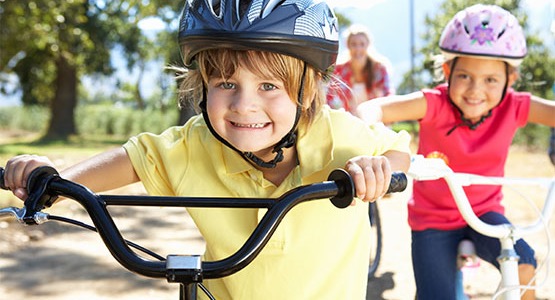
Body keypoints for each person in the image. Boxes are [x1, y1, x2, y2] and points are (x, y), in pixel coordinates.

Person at [2, 1, 411, 299]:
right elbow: (133, 158)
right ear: (202, 88)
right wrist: (49, 179)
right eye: (226, 84)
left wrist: (377, 169)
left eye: (269, 86)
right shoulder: (195, 143)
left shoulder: (342, 136)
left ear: (305, 91)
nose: (244, 105)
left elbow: (397, 152)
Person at [356, 4, 555, 300]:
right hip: (432, 220)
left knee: (525, 264)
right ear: (448, 71)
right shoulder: (435, 103)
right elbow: (372, 108)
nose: (476, 90)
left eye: (491, 80)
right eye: (464, 76)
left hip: (485, 214)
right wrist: (373, 136)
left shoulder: (514, 106)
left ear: (509, 80)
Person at [327, 24, 394, 114]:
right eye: (353, 44)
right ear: (348, 46)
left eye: (362, 44)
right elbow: (329, 97)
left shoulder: (379, 69)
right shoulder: (339, 70)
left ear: (368, 45)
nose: (358, 49)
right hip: (349, 121)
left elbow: (388, 96)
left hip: (375, 120)